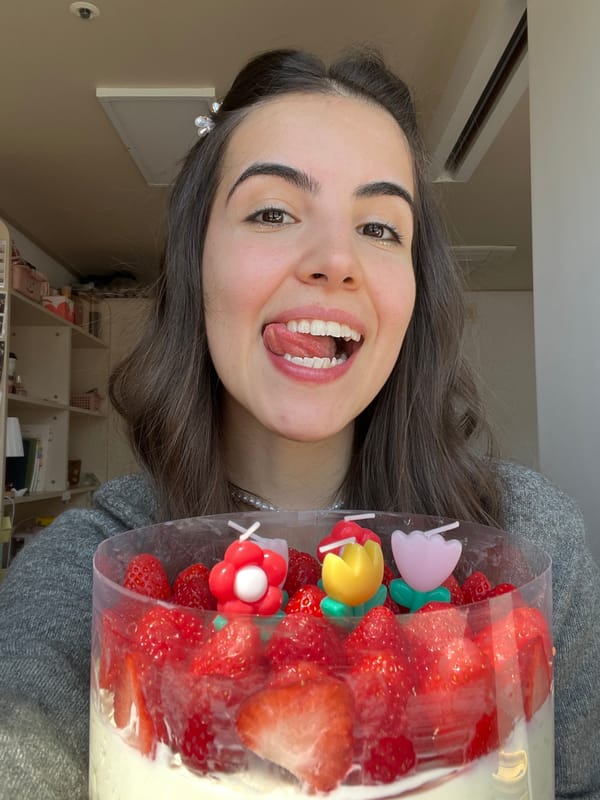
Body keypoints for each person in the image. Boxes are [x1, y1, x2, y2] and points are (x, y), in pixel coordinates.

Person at [0, 47, 598, 799]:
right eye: (273, 212)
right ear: (196, 263)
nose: (335, 260)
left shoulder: (532, 542)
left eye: (379, 228)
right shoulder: (89, 571)